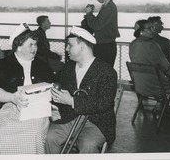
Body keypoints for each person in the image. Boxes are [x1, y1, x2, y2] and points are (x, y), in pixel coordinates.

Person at [0, 23, 56, 154]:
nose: (35, 48)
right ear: (19, 46)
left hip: (36, 110)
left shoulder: (42, 65)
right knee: (1, 137)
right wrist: (12, 97)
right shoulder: (3, 64)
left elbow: (53, 86)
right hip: (5, 108)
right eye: (30, 45)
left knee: (33, 134)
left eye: (36, 44)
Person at [45, 26, 117, 154]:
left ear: (82, 47)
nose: (66, 49)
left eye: (69, 45)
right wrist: (54, 109)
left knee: (88, 144)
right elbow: (59, 94)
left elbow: (104, 103)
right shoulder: (67, 68)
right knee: (49, 137)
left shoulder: (107, 71)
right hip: (69, 117)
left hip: (97, 122)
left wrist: (72, 101)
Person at [129, 19, 170, 114]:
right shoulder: (153, 45)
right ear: (141, 31)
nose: (153, 30)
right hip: (156, 87)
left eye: (152, 28)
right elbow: (166, 67)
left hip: (140, 86)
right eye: (149, 28)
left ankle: (159, 106)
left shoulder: (132, 44)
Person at [84, 0, 120, 67]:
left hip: (105, 47)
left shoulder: (109, 8)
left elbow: (96, 26)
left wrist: (89, 14)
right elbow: (99, 23)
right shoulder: (107, 6)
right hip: (105, 45)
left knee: (103, 73)